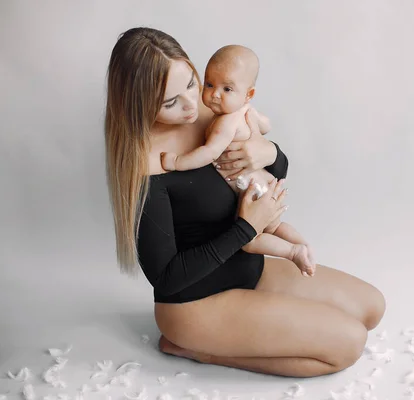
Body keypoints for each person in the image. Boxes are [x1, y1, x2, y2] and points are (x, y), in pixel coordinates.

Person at [104, 27, 386, 378]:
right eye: (170, 102)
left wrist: (269, 151)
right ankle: (199, 351)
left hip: (250, 269)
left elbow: (275, 170)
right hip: (196, 304)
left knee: (372, 308)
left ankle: (243, 322)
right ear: (138, 104)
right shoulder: (146, 165)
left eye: (192, 83)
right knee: (349, 345)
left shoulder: (211, 113)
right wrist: (247, 227)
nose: (192, 105)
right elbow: (166, 279)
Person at [160, 44, 316, 278]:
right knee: (274, 226)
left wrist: (177, 162)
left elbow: (209, 153)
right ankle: (305, 246)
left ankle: (293, 251)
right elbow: (267, 125)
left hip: (253, 191)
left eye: (227, 89)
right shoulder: (247, 110)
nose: (214, 94)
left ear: (248, 93)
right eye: (209, 84)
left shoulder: (225, 123)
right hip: (266, 184)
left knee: (249, 241)